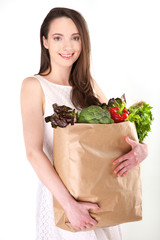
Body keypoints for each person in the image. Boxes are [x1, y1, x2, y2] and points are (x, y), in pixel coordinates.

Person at [20, 7, 148, 240]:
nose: (67, 47)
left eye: (75, 38)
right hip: (63, 200)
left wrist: (141, 149)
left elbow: (115, 133)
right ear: (45, 41)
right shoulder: (34, 85)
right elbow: (33, 152)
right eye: (58, 38)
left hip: (100, 197)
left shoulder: (88, 84)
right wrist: (69, 205)